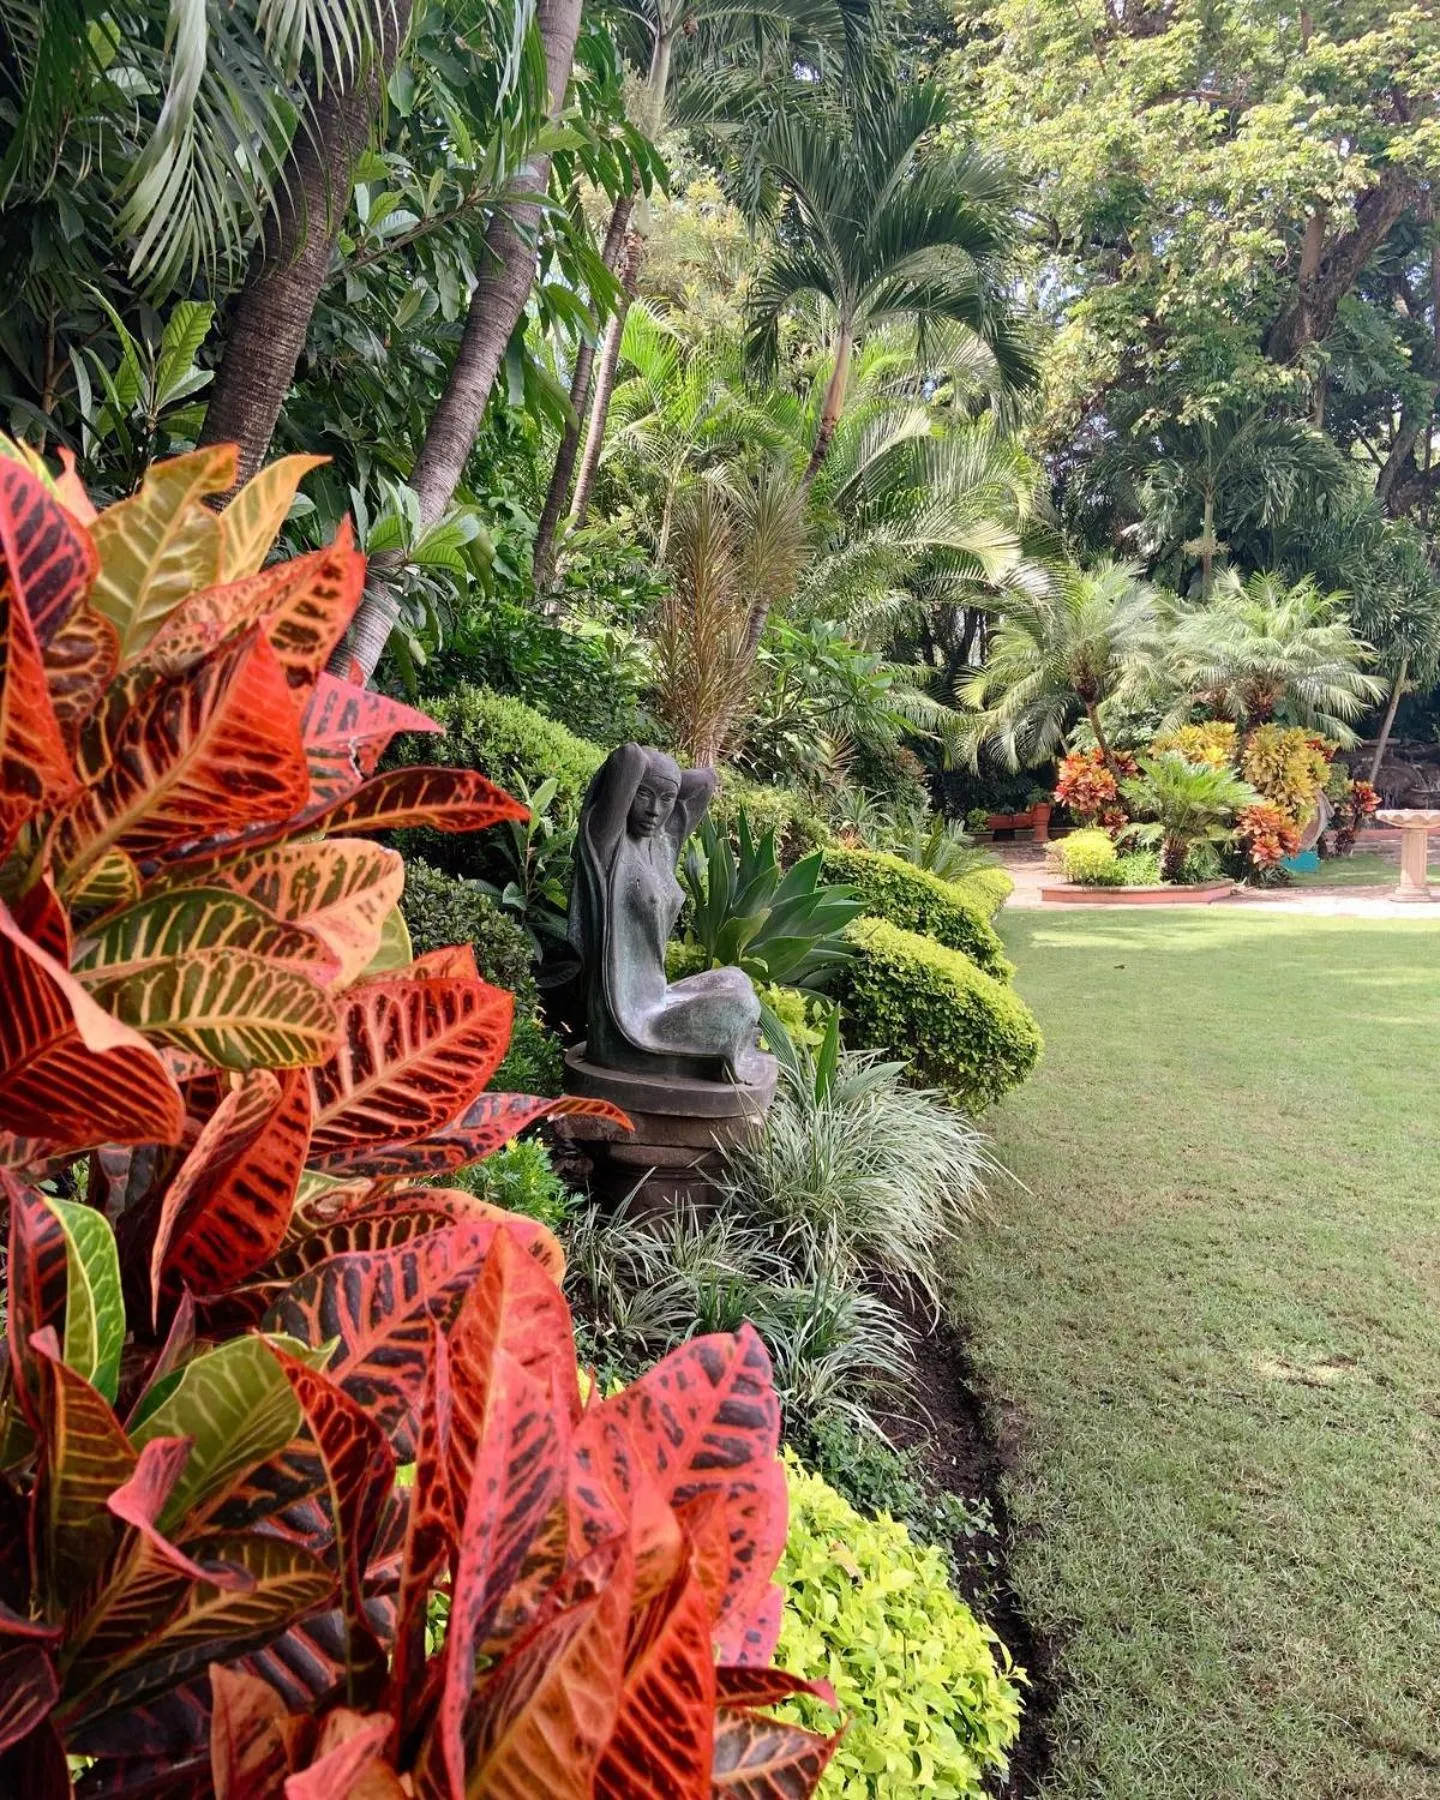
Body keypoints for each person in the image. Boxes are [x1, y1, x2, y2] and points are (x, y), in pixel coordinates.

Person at [569, 743, 763, 1082]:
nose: (655, 811)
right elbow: (628, 757)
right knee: (741, 1005)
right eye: (643, 795)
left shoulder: (662, 845)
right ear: (627, 792)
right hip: (625, 1021)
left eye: (666, 800)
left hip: (655, 997)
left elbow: (704, 782)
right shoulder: (607, 844)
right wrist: (652, 769)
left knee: (735, 978)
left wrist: (666, 778)